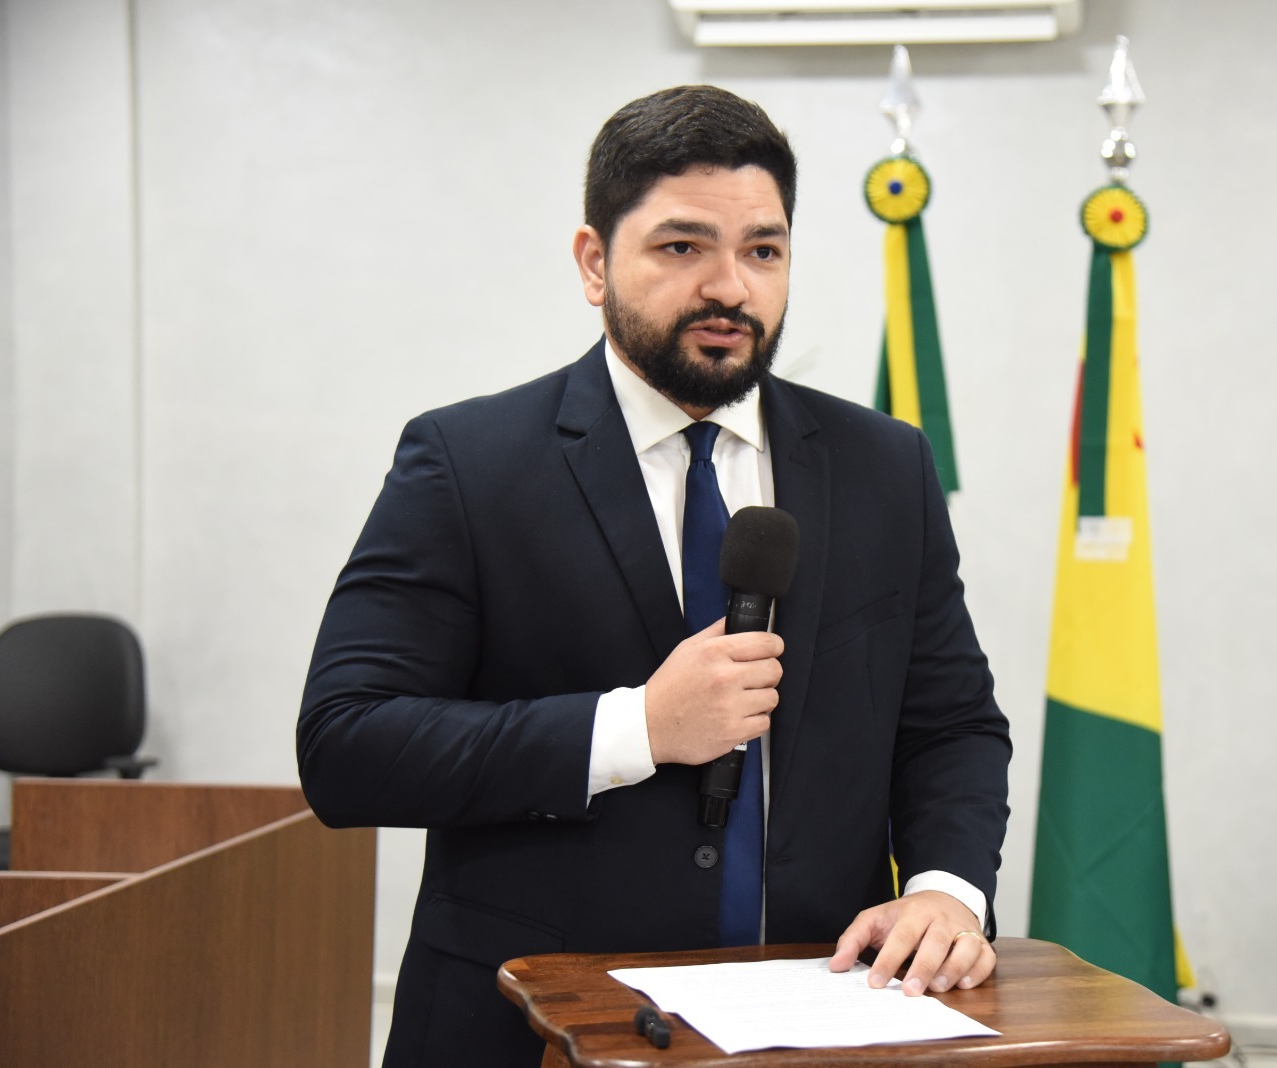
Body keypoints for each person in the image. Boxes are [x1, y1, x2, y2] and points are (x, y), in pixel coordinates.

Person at [298, 84, 1010, 1067]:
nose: (730, 287)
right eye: (682, 247)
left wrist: (945, 889)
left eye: (763, 251)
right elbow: (347, 746)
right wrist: (637, 728)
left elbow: (951, 724)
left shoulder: (883, 465)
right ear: (595, 263)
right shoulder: (469, 464)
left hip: (825, 1018)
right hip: (531, 1027)